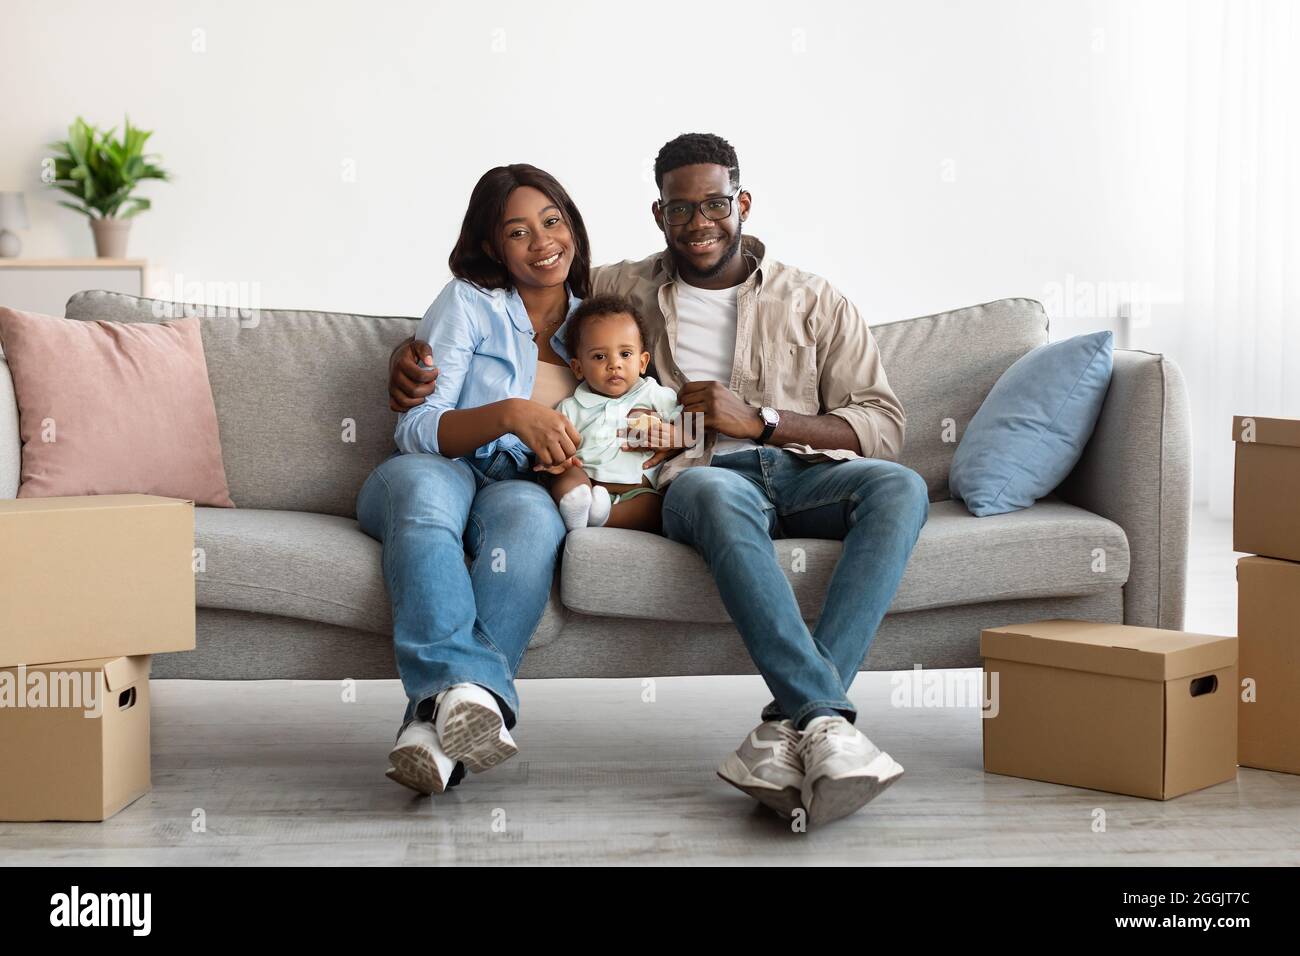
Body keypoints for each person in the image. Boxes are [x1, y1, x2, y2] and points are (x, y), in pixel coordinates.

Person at [388, 134, 930, 825]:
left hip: (803, 472)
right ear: (658, 214)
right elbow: (535, 303)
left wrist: (763, 420)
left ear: (744, 203)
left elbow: (881, 425)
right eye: (680, 210)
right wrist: (412, 359)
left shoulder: (816, 300)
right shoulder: (618, 287)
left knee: (902, 487)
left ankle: (803, 724)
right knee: (709, 488)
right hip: (706, 478)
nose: (700, 223)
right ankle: (822, 718)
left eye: (715, 204)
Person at [357, 163, 595, 796]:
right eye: (518, 232)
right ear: (493, 246)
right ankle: (467, 690)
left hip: (521, 483)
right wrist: (511, 414)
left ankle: (429, 733)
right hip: (436, 465)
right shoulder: (470, 300)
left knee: (530, 526)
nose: (543, 243)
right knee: (427, 504)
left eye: (553, 222)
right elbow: (414, 427)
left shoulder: (598, 320)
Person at [544, 294, 681, 533]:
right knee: (565, 476)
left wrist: (677, 435)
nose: (614, 364)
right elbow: (553, 446)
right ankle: (577, 508)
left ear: (642, 361)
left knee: (657, 507)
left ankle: (600, 518)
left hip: (637, 489)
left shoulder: (655, 394)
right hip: (587, 481)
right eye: (599, 356)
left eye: (625, 354)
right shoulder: (570, 407)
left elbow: (694, 429)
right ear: (578, 367)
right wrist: (557, 460)